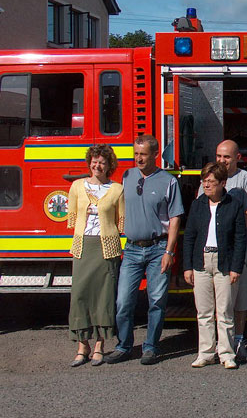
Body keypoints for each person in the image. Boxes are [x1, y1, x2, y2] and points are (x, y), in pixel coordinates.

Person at [105, 135, 184, 365]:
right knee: (123, 302)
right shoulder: (127, 176)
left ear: (155, 155)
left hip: (157, 248)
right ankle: (124, 346)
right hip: (130, 249)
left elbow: (175, 217)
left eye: (143, 154)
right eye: (136, 153)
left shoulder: (168, 181)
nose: (138, 158)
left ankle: (150, 347)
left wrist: (169, 251)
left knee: (156, 300)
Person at [199, 139, 247, 364]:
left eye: (227, 157)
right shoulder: (208, 178)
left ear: (238, 157)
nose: (222, 160)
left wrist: (228, 232)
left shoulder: (246, 180)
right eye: (219, 156)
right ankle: (214, 346)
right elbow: (201, 213)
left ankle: (238, 341)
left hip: (238, 249)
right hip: (213, 250)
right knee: (214, 303)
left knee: (240, 299)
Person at [184, 162, 247, 369]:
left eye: (211, 181)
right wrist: (187, 267)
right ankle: (205, 352)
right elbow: (190, 237)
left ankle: (227, 354)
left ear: (222, 183)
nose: (206, 185)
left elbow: (240, 238)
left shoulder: (234, 204)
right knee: (203, 311)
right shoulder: (198, 204)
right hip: (201, 260)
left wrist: (236, 267)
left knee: (225, 311)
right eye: (204, 181)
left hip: (224, 261)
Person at [66, 144, 124, 367]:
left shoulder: (117, 189)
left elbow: (121, 221)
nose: (97, 165)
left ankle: (100, 345)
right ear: (89, 162)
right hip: (83, 247)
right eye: (94, 161)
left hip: (107, 248)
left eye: (102, 162)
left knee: (103, 296)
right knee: (79, 295)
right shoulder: (77, 186)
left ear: (109, 165)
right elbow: (72, 217)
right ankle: (82, 347)